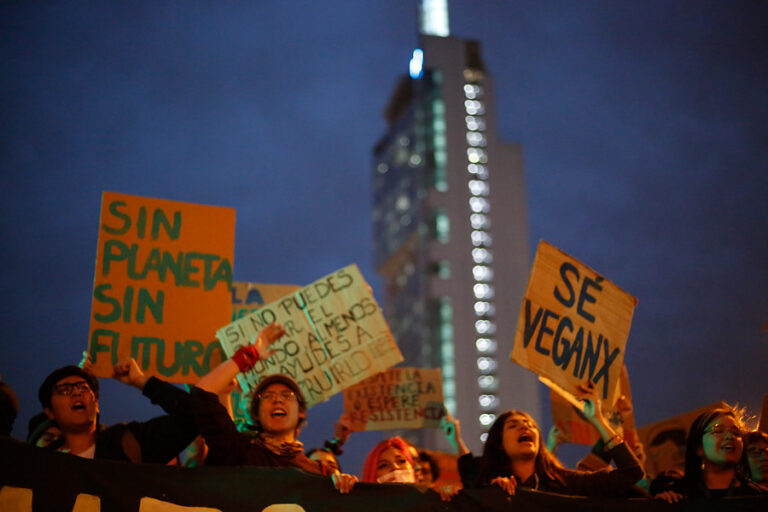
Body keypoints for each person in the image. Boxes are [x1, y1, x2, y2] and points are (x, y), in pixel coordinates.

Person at [189, 322, 357, 494]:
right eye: (267, 396)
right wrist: (250, 355)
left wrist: (346, 488)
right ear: (256, 415)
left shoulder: (320, 473)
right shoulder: (238, 450)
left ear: (301, 412)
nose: (277, 400)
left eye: (287, 395)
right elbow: (202, 393)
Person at [475, 381, 644, 497]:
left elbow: (631, 473)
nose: (524, 427)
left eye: (530, 424)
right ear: (498, 444)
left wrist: (597, 419)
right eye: (513, 425)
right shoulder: (490, 491)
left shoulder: (567, 483)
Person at [37, 358, 197, 463]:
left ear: (97, 404)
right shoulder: (40, 465)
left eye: (84, 388)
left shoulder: (129, 442)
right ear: (49, 411)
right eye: (64, 390)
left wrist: (141, 381)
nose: (77, 392)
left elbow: (194, 415)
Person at [652, 406, 767, 502]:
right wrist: (661, 505)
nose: (729, 437)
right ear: (699, 447)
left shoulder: (759, 497)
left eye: (736, 433)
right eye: (718, 431)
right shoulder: (678, 494)